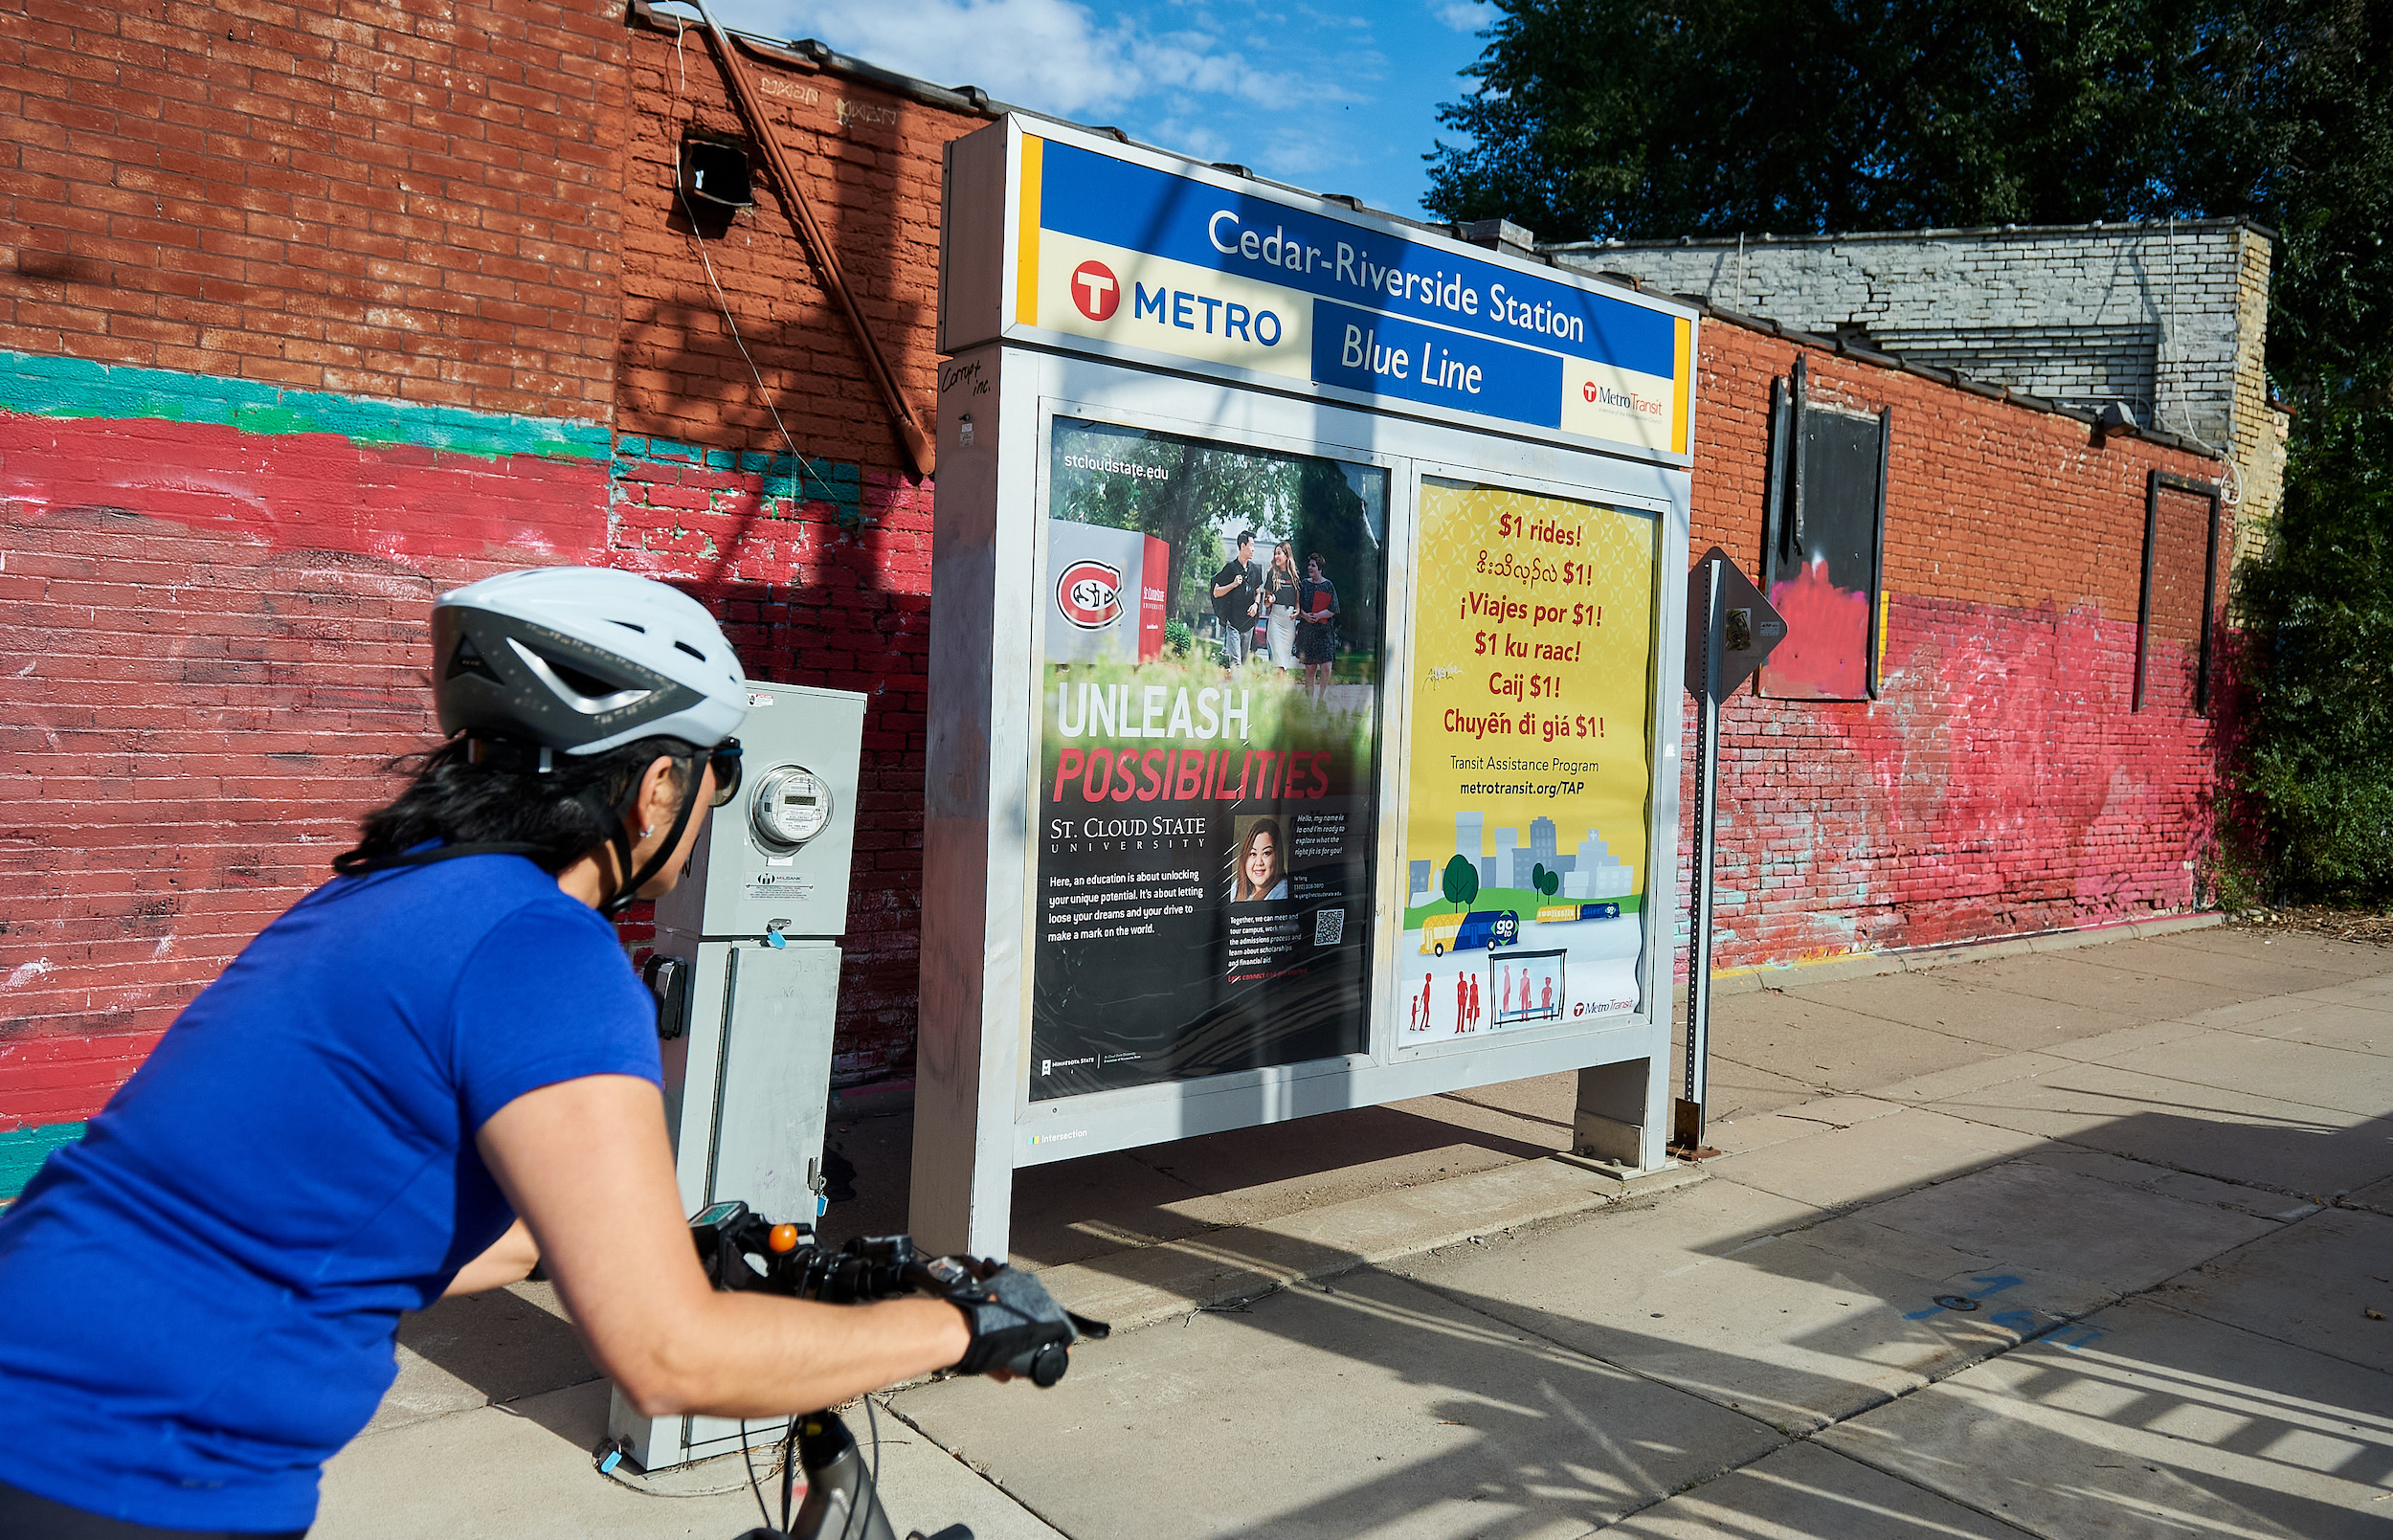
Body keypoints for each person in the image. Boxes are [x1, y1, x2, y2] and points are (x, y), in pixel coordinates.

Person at [0, 568, 1070, 1538]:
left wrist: (648, 1244)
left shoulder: (388, 894)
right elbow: (668, 1356)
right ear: (658, 786)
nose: (709, 805)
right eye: (719, 772)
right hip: (123, 1468)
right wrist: (959, 1324)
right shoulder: (545, 952)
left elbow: (401, 1225)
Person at [1210, 529, 1262, 673]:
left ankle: (1238, 692)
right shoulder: (1230, 569)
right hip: (1233, 623)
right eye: (1251, 545)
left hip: (1249, 623)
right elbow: (1216, 592)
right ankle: (1235, 691)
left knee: (1244, 663)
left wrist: (1256, 604)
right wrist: (1233, 584)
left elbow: (1258, 593)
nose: (1253, 549)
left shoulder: (1255, 570)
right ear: (1243, 546)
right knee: (1236, 662)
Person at [1295, 551, 1340, 697]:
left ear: (1320, 569)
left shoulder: (1328, 585)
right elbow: (1298, 605)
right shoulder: (1304, 584)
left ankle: (1321, 698)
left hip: (1324, 632)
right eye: (1309, 565)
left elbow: (1334, 608)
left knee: (1326, 666)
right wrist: (1306, 616)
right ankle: (1309, 703)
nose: (1310, 568)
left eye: (1313, 565)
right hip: (1308, 631)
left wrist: (1319, 615)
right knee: (1310, 668)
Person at [1230, 817, 1287, 902]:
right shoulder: (1236, 886)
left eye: (1266, 853)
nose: (1259, 862)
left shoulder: (1282, 892)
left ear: (1277, 857)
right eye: (1253, 854)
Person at [1263, 542, 1300, 670]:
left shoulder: (1294, 575)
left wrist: (1298, 609)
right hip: (1276, 621)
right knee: (1278, 660)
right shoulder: (1271, 574)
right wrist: (1270, 599)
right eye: (1275, 554)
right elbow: (1265, 602)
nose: (1276, 556)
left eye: (1279, 553)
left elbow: (1297, 598)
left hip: (1289, 622)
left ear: (1286, 555)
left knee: (1284, 662)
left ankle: (1280, 687)